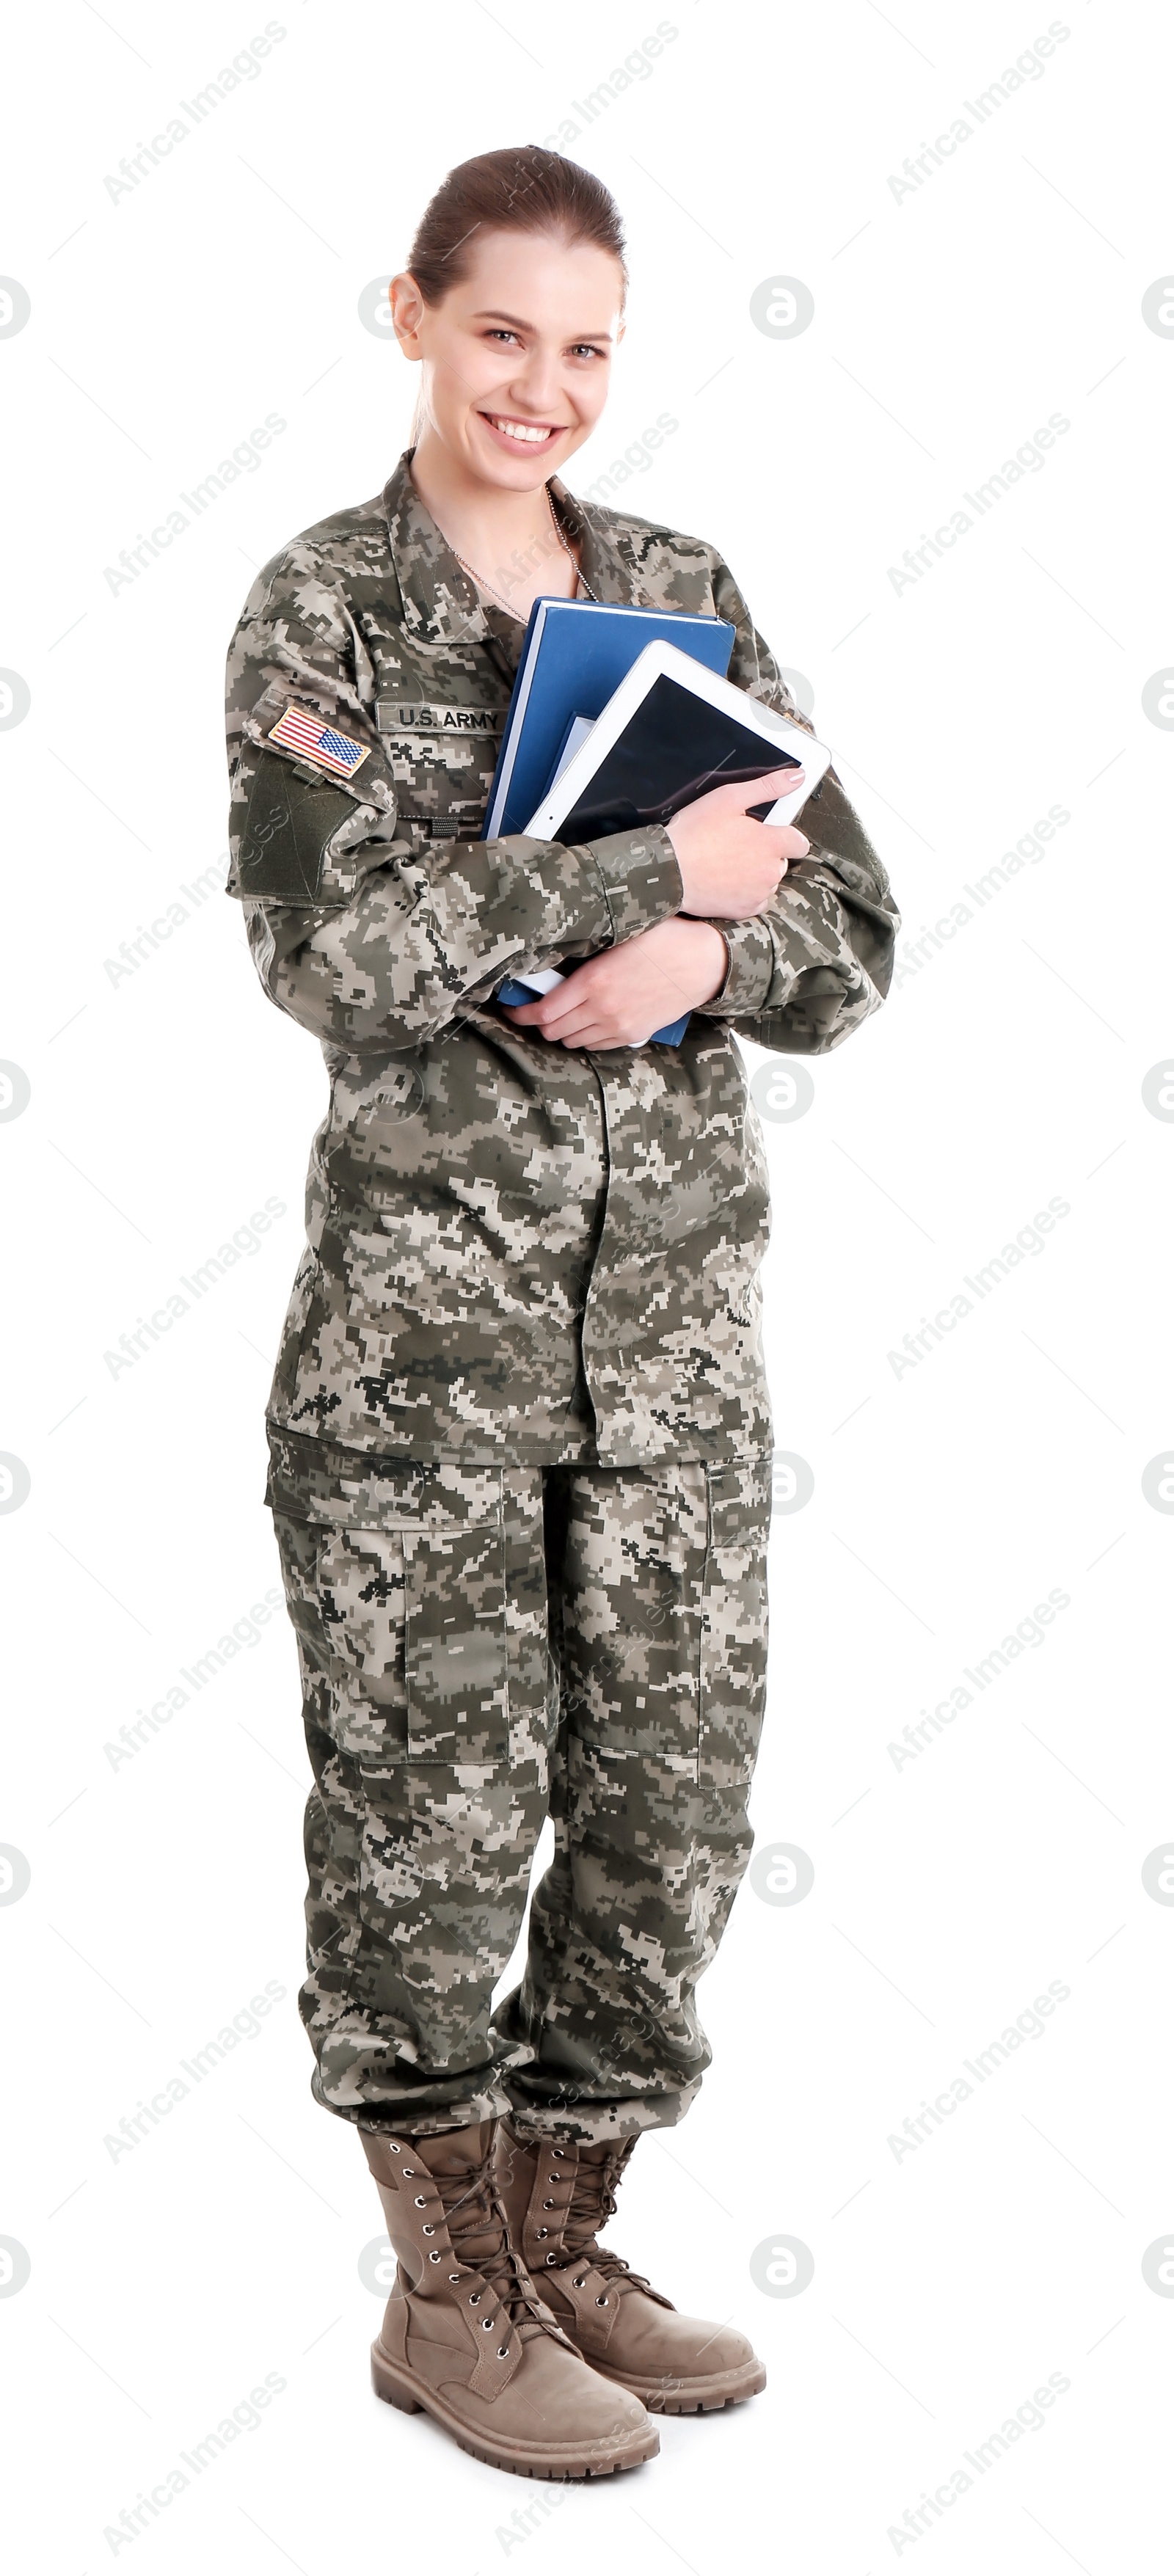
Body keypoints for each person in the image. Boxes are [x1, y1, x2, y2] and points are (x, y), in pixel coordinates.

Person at [225, 145, 899, 2481]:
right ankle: (441, 2297)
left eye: (590, 347)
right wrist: (645, 863)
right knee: (426, 1822)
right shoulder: (324, 612)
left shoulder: (688, 599)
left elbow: (854, 934)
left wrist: (714, 946)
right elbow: (335, 957)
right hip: (425, 1370)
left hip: (679, 1350)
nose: (547, 387)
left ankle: (555, 2231)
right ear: (410, 315)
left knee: (664, 1823)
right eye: (504, 332)